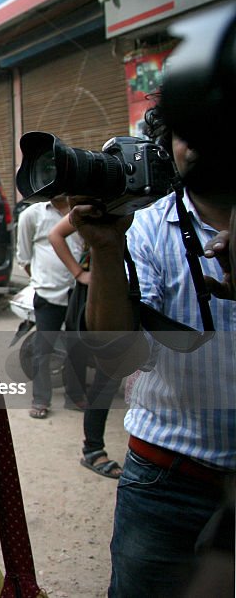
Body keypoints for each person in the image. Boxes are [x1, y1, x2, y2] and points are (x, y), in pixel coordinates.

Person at [70, 103, 234, 597]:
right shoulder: (143, 227)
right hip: (167, 480)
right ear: (169, 147)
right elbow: (117, 358)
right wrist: (102, 249)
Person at [48, 215, 124, 479]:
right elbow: (56, 234)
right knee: (108, 369)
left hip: (142, 288)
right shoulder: (110, 200)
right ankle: (93, 448)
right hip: (107, 295)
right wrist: (79, 273)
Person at [15, 194, 87, 418]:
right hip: (47, 292)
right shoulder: (31, 215)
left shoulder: (81, 210)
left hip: (78, 291)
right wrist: (42, 280)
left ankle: (75, 396)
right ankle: (40, 400)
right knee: (42, 349)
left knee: (79, 347)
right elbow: (24, 258)